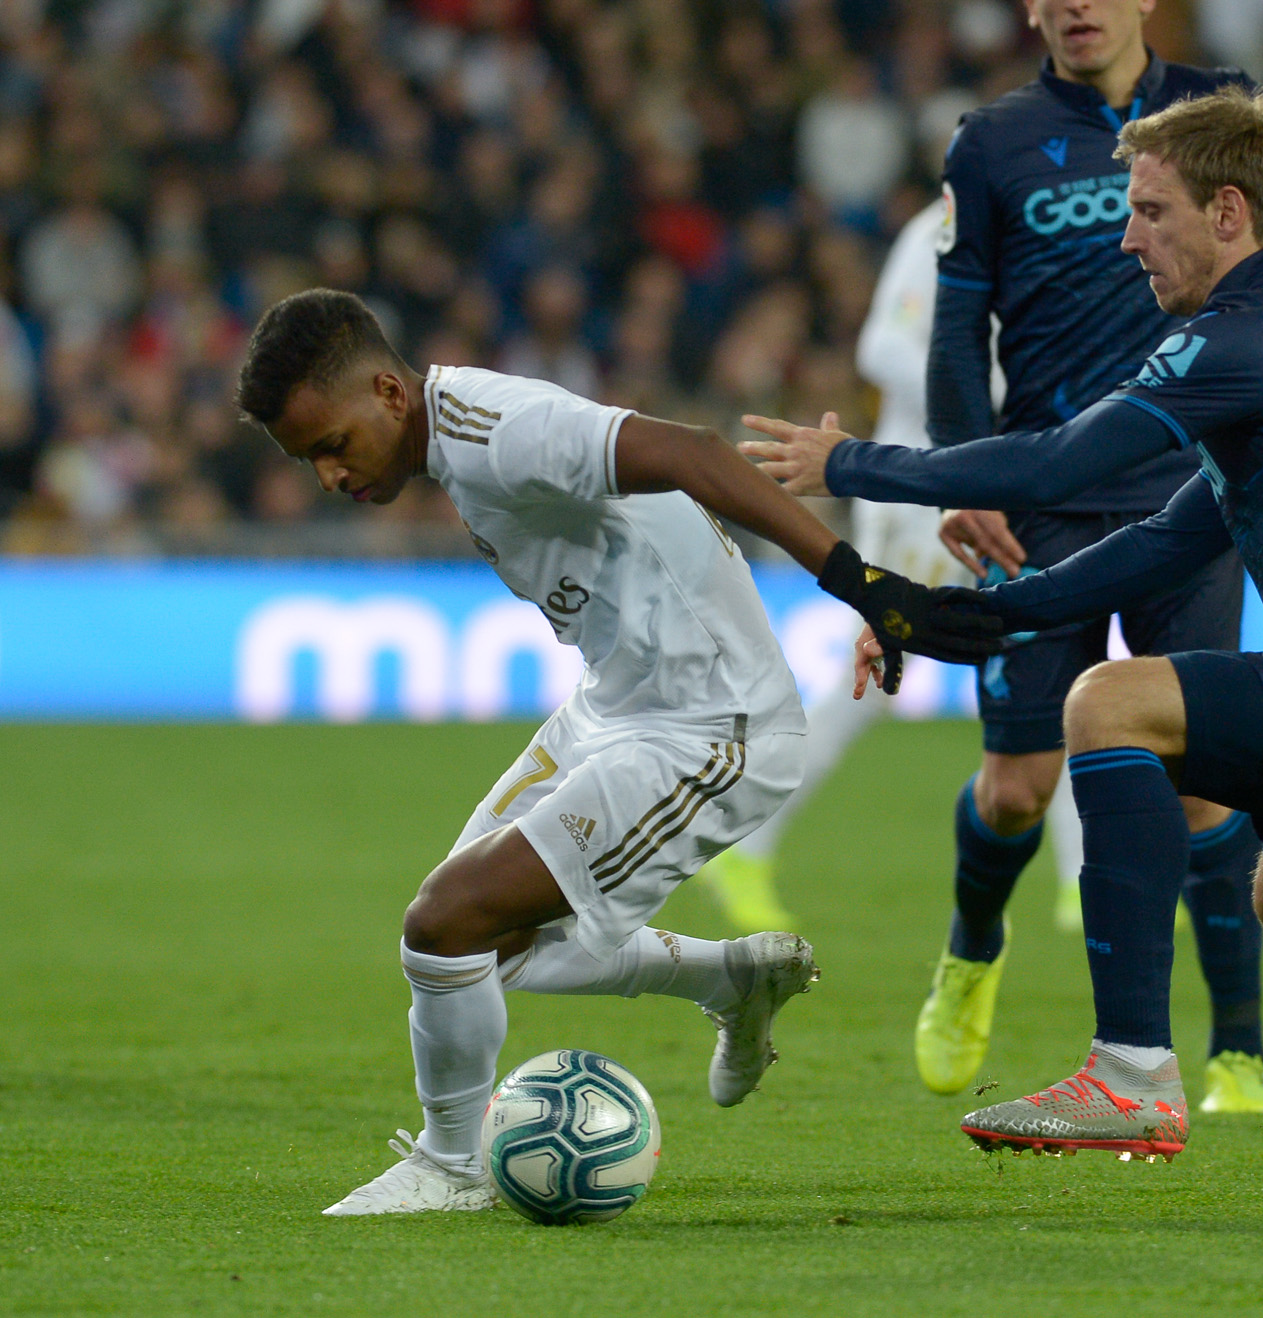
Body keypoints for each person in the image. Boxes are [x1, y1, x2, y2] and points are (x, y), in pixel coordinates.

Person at [742, 87, 1263, 1194]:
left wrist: (850, 466)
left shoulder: (1241, 340)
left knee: (1108, 702)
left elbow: (1052, 467)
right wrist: (939, 612)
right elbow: (1149, 547)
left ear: (1228, 213)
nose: (1126, 235)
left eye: (1149, 210)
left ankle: (1131, 1068)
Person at [234, 289, 996, 1215]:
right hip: (616, 708)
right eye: (306, 459)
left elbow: (692, 454)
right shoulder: (454, 440)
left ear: (390, 394)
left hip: (714, 729)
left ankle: (451, 1166)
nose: (327, 477)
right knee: (482, 952)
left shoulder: (497, 431)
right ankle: (732, 977)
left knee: (444, 923)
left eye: (331, 446)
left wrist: (863, 584)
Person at [904, 0, 1263, 1111]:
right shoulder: (991, 141)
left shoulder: (1218, 115)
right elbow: (953, 320)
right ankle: (973, 949)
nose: (1075, 5)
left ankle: (1240, 1051)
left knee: (1201, 782)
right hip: (1050, 490)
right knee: (1019, 789)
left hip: (1191, 487)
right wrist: (965, 467)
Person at [698, 197, 1023, 934]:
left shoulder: (1042, 233)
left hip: (1000, 482)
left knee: (1054, 666)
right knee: (879, 675)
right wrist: (997, 400)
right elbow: (883, 348)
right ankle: (746, 842)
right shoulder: (941, 229)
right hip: (918, 487)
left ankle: (1078, 883)